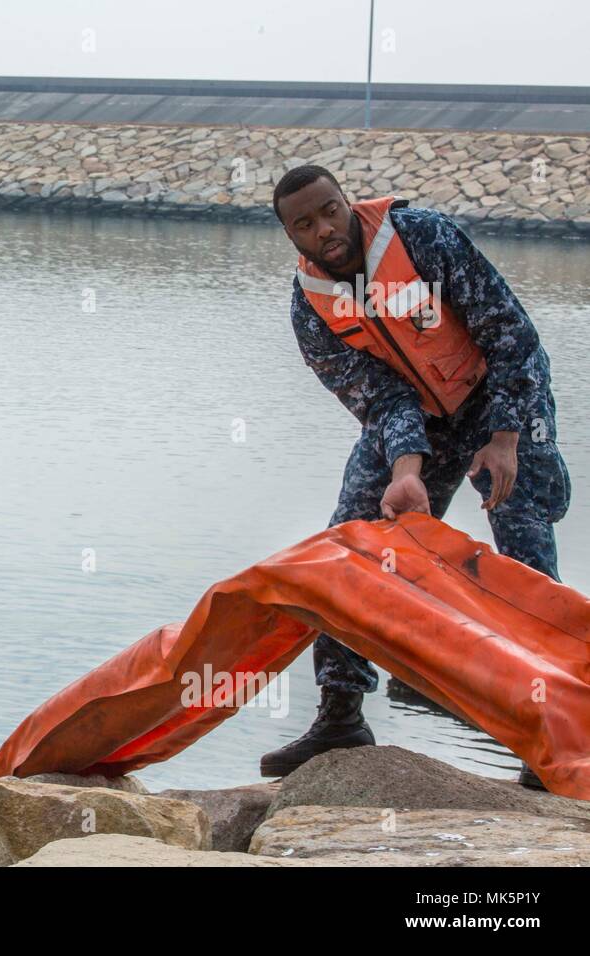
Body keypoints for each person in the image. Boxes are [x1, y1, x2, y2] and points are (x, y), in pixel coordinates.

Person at [265, 164, 571, 790]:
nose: (325, 229)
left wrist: (505, 437)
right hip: (420, 420)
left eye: (330, 210)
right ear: (291, 237)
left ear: (348, 201)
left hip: (500, 396)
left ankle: (555, 727)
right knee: (349, 542)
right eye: (305, 224)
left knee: (522, 539)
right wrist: (408, 472)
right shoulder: (310, 309)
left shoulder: (424, 237)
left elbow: (511, 335)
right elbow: (378, 399)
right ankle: (341, 712)